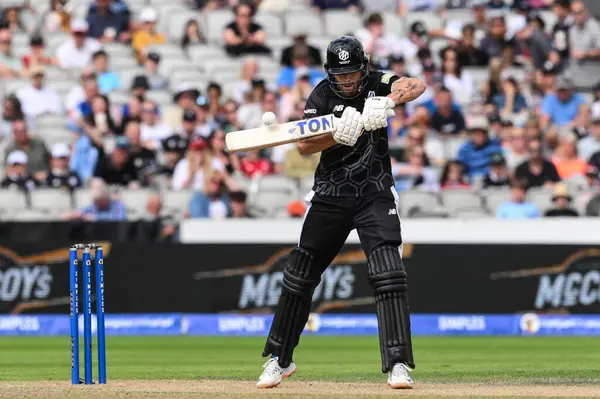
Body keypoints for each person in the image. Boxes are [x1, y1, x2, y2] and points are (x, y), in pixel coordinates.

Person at [256, 36, 425, 390]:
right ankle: (279, 360)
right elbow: (303, 145)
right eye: (340, 75)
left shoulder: (379, 82)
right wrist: (339, 133)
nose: (346, 81)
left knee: (389, 273)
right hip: (331, 194)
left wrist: (389, 101)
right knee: (300, 276)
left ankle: (397, 364)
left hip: (374, 192)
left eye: (352, 74)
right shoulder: (321, 94)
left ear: (363, 67)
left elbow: (417, 85)